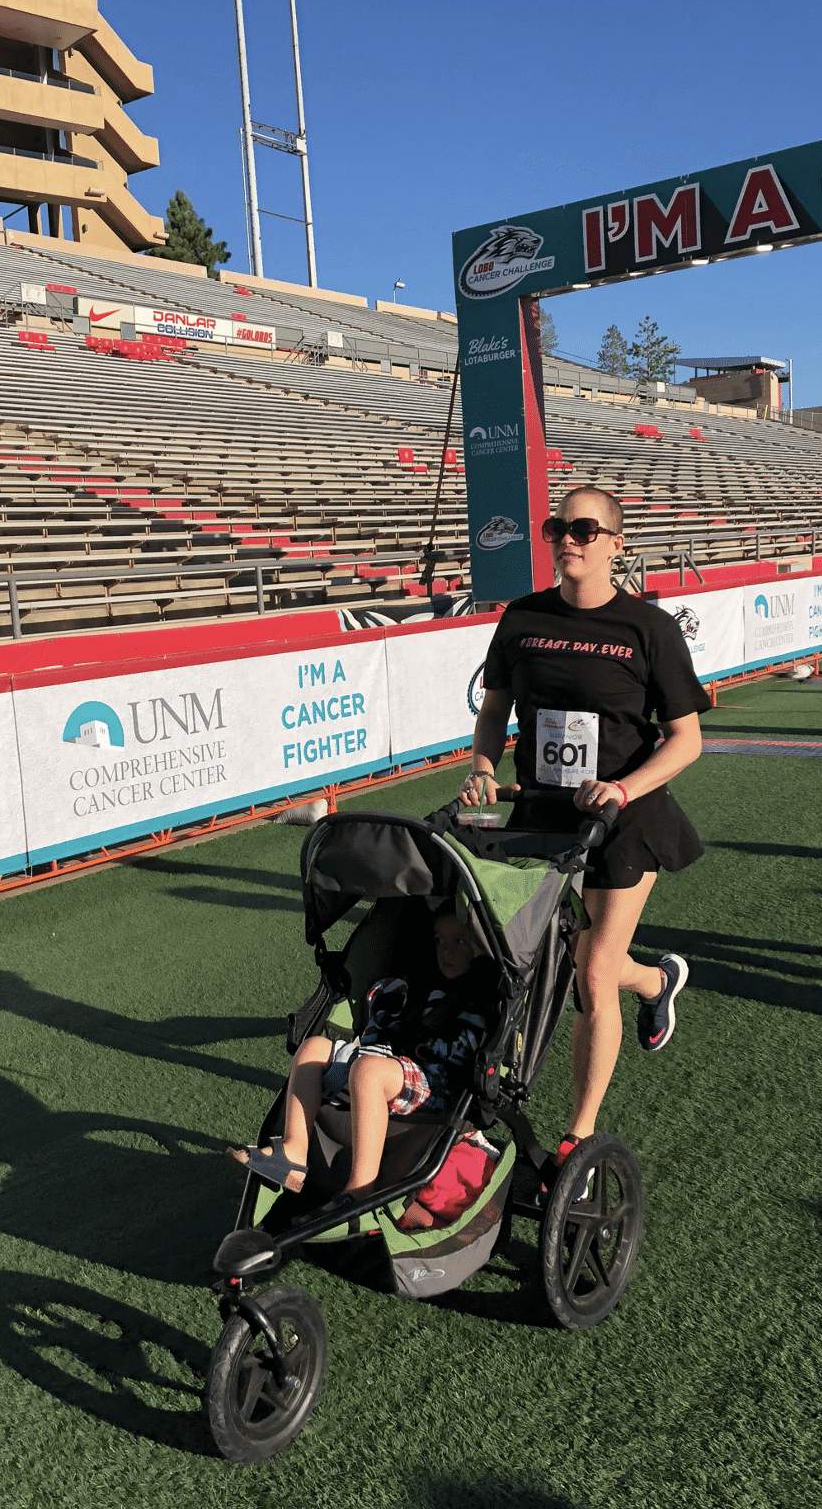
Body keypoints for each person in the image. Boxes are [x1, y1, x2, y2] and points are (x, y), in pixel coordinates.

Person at [461, 484, 708, 1176]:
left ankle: (577, 1135)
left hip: (625, 816)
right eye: (557, 527)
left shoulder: (648, 629)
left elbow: (685, 740)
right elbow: (495, 711)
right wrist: (483, 765)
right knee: (534, 965)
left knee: (593, 973)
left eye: (585, 529)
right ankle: (657, 983)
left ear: (616, 544)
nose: (568, 539)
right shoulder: (521, 618)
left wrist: (624, 787)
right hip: (541, 811)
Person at [229, 902, 495, 1206]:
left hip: (439, 1083)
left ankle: (360, 1189)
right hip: (395, 1067)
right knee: (312, 1048)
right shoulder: (423, 984)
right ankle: (293, 1152)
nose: (445, 950)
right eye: (439, 941)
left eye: (458, 942)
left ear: (478, 948)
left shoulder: (476, 998)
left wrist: (421, 1045)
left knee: (368, 1071)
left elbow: (462, 1052)